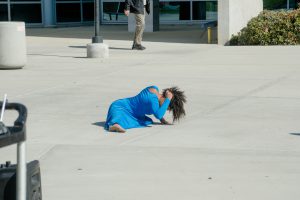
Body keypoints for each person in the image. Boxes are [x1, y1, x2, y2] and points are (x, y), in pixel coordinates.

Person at [105, 86, 186, 133]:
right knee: (119, 117)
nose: (165, 108)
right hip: (120, 106)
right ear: (165, 98)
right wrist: (168, 99)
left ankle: (117, 125)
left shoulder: (155, 95)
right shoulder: (153, 98)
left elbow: (157, 110)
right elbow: (158, 114)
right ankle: (114, 125)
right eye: (167, 106)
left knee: (146, 121)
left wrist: (162, 120)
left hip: (134, 115)